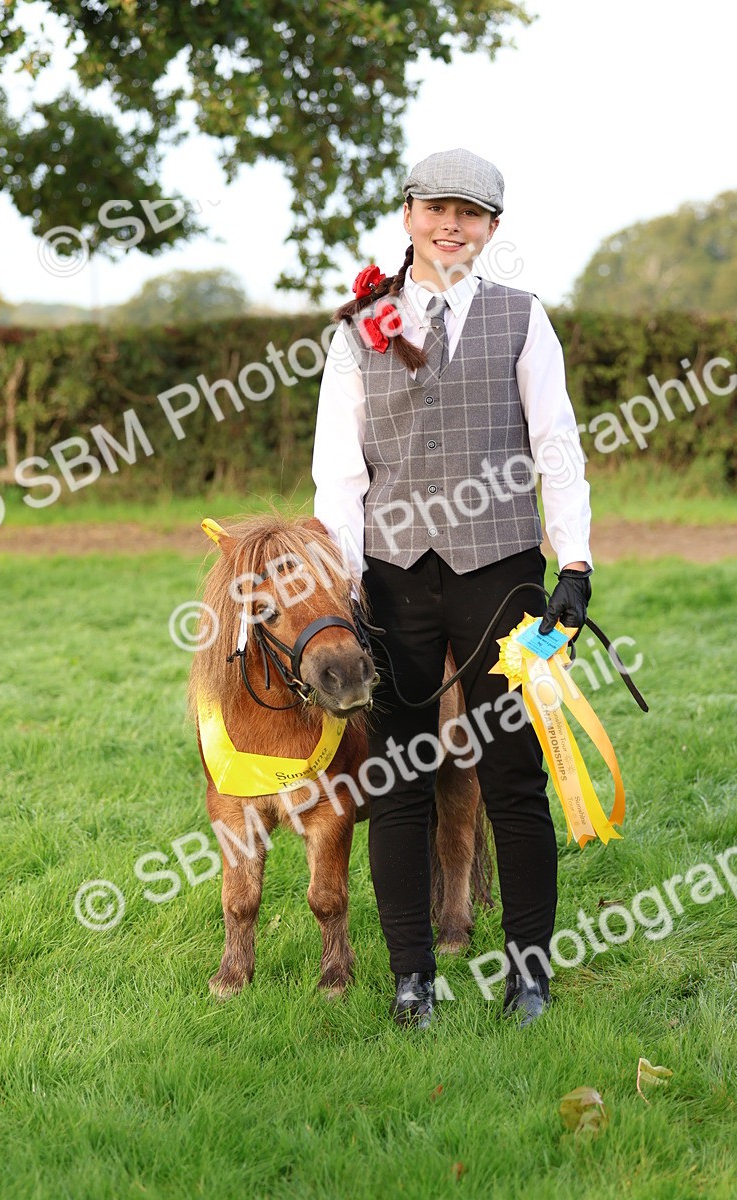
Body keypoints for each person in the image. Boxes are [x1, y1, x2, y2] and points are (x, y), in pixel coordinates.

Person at [311, 148, 592, 1029]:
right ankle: (411, 980)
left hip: (501, 570)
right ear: (407, 215)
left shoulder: (521, 318)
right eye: (437, 207)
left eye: (471, 214)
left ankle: (530, 977)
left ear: (491, 230)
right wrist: (344, 583)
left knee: (513, 775)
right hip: (392, 577)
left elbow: (557, 448)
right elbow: (337, 475)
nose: (451, 224)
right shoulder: (359, 328)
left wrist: (574, 565)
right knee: (398, 780)